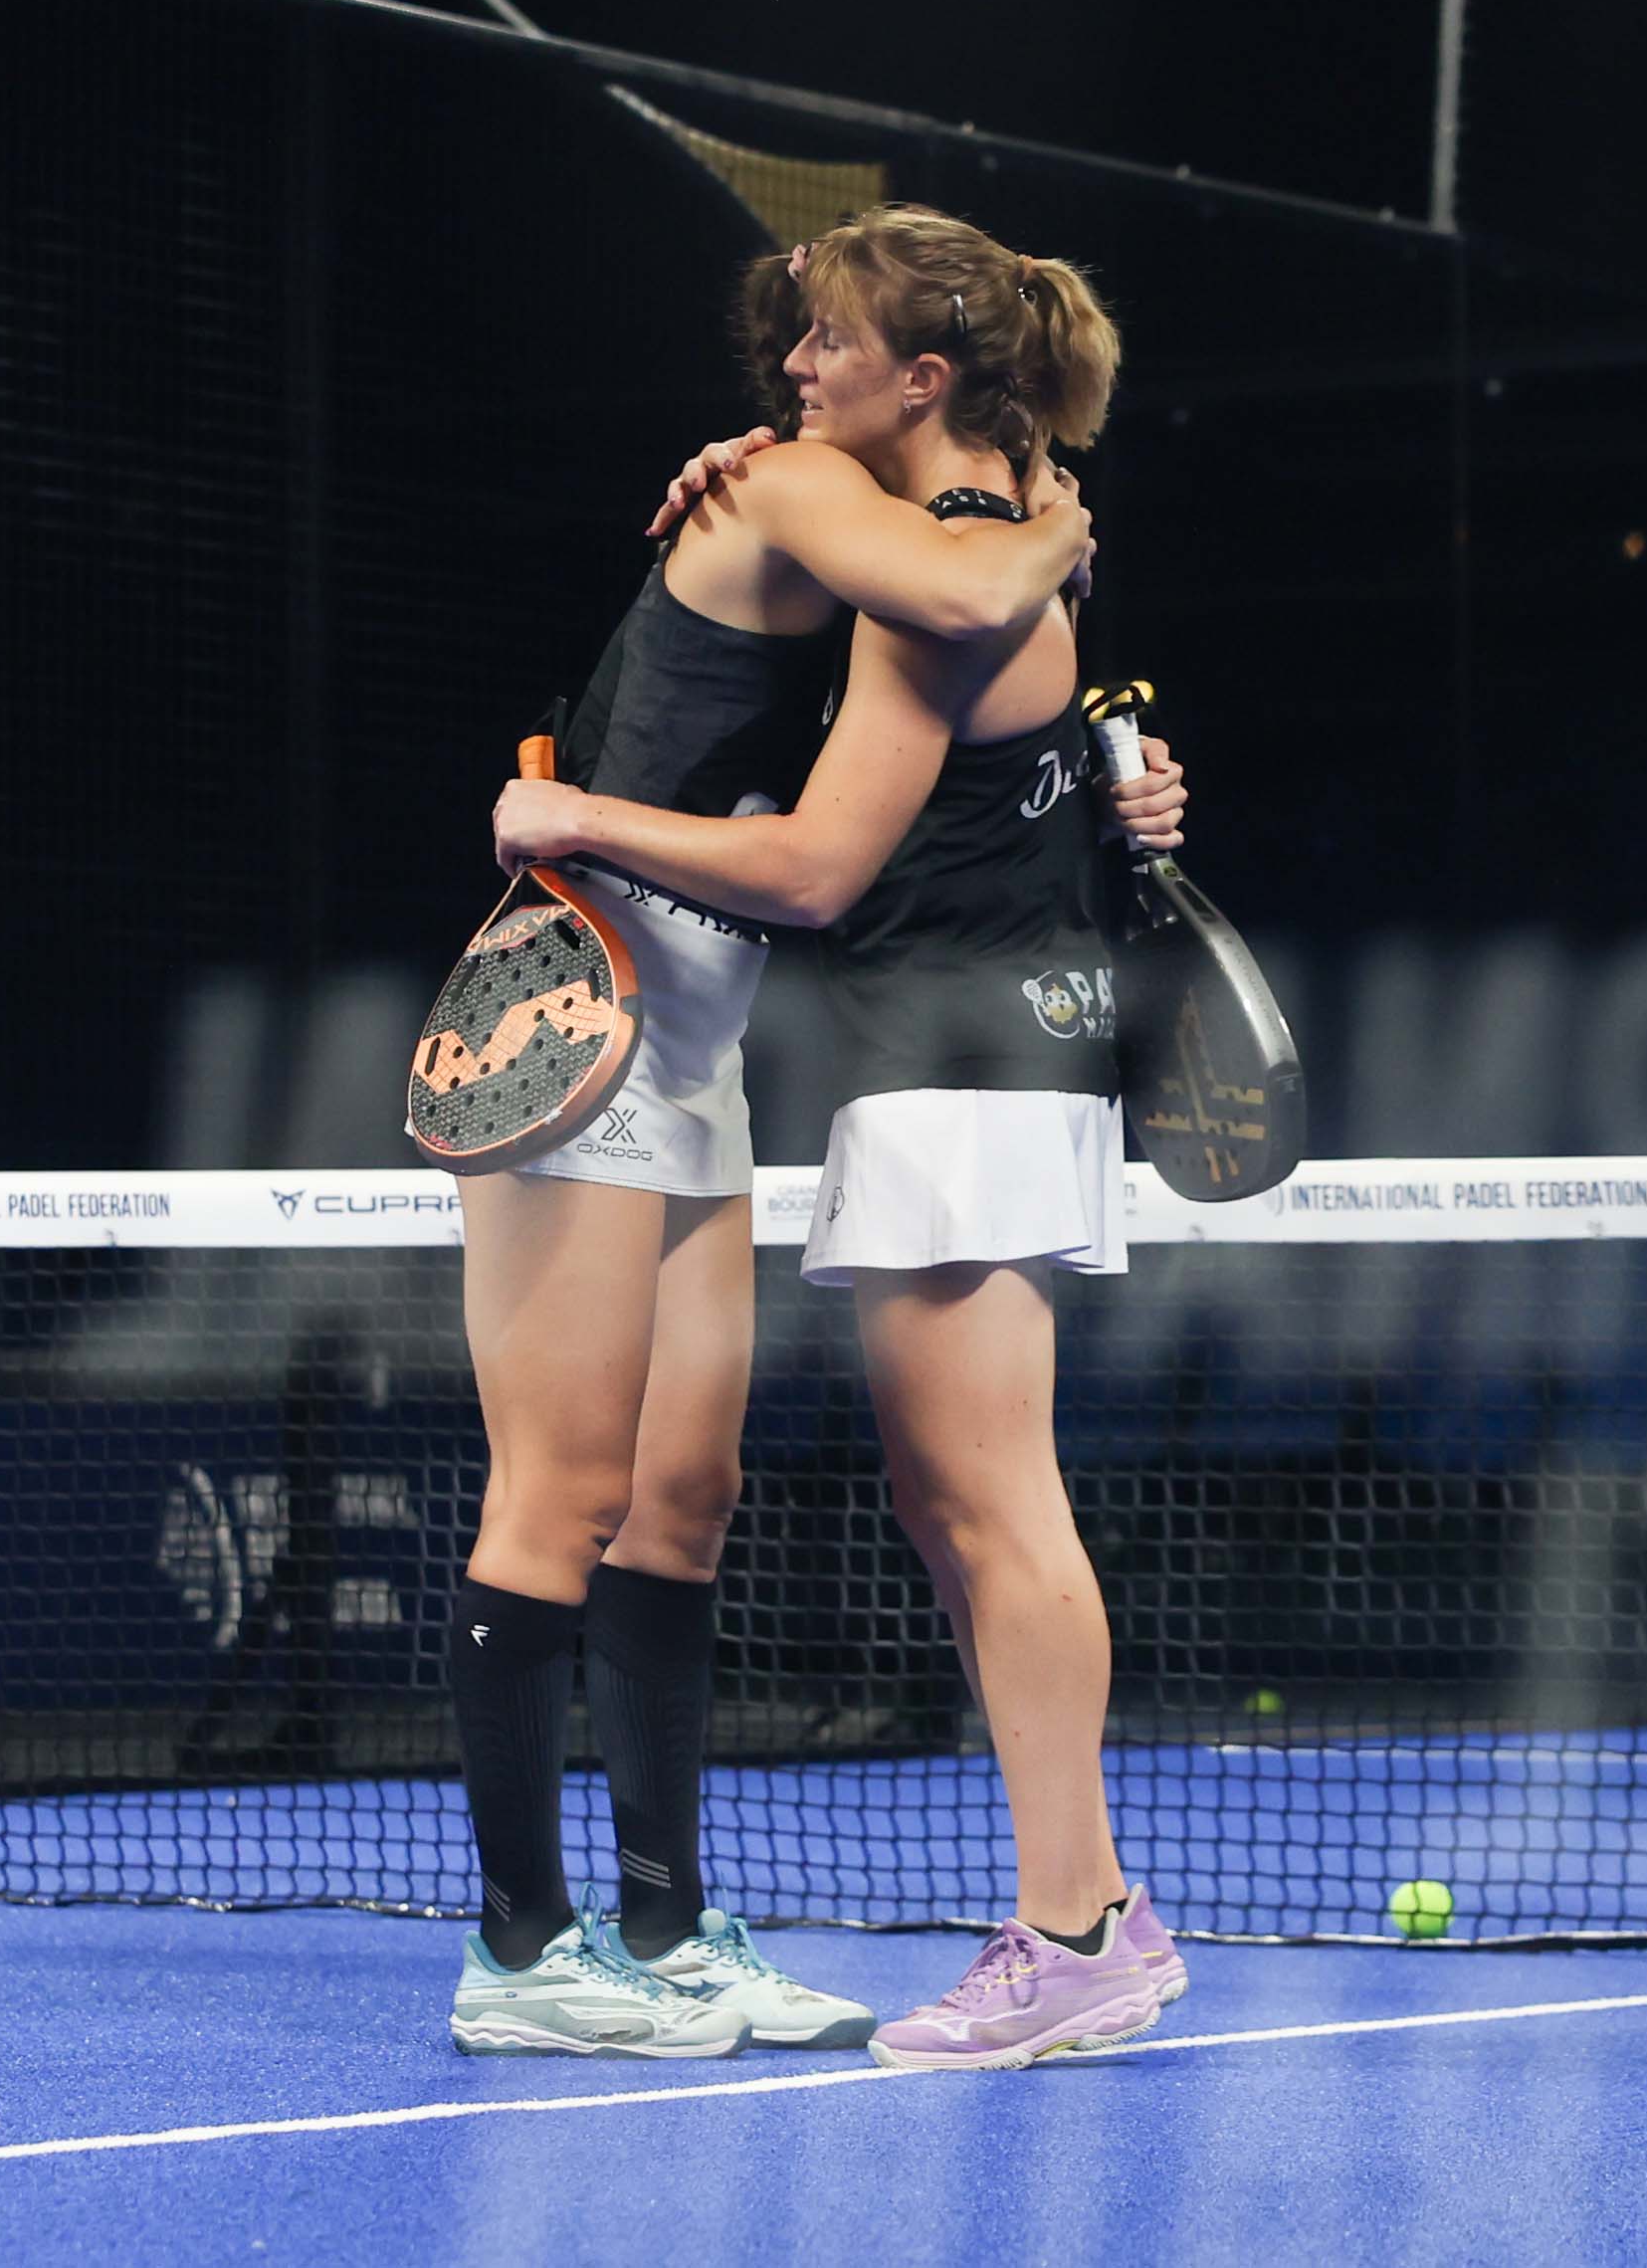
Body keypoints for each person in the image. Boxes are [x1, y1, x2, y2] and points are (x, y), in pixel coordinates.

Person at [434, 233, 1184, 2059]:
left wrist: (1055, 540)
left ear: (919, 375)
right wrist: (1056, 518)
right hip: (580, 1004)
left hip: (709, 1039)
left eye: (827, 339)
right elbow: (966, 582)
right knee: (563, 1490)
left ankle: (667, 1929)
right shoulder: (794, 487)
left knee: (682, 1496)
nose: (788, 369)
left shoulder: (907, 527)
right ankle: (522, 1951)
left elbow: (963, 626)